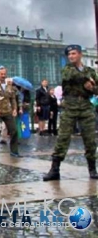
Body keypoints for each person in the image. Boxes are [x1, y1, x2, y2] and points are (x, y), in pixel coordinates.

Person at [43, 45, 97, 181]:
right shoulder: (67, 69)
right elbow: (70, 76)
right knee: (63, 138)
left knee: (90, 139)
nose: (71, 56)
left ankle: (92, 169)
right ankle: (54, 170)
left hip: (85, 106)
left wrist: (92, 87)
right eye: (69, 54)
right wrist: (86, 80)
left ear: (80, 54)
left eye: (73, 54)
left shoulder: (91, 71)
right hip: (70, 107)